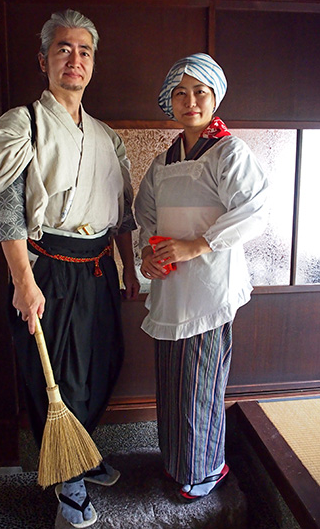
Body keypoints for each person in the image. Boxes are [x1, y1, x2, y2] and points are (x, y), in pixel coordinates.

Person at [0, 9, 139, 528]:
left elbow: (121, 211)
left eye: (84, 51)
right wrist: (22, 282)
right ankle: (67, 488)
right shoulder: (21, 123)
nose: (75, 59)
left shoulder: (106, 136)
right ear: (44, 59)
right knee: (59, 377)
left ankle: (81, 455)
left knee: (102, 365)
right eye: (64, 49)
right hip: (45, 270)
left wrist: (127, 268)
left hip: (97, 270)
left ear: (93, 64)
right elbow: (7, 211)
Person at [135, 53, 268, 502]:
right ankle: (178, 462)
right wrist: (147, 256)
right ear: (169, 102)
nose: (190, 101)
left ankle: (209, 465)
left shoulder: (230, 151)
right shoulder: (163, 160)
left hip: (211, 284)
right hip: (172, 286)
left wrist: (199, 245)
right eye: (180, 93)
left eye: (200, 92)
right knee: (172, 379)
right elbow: (146, 216)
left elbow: (253, 210)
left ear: (215, 97)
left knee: (201, 381)